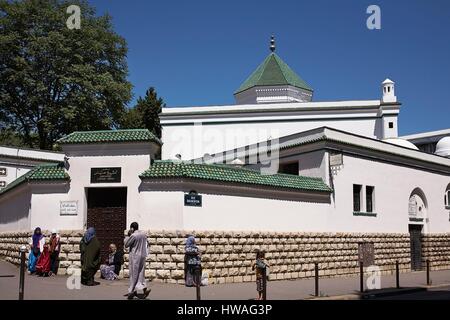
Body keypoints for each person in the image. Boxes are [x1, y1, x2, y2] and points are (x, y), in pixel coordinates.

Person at [124, 222, 150, 299]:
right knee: (141, 274)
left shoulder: (134, 235)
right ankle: (144, 288)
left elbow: (126, 244)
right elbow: (147, 243)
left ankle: (131, 291)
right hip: (142, 256)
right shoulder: (143, 235)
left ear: (132, 228)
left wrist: (128, 236)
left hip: (135, 257)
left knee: (133, 274)